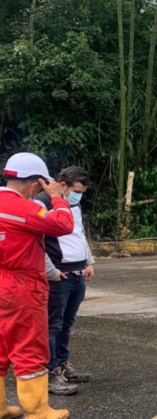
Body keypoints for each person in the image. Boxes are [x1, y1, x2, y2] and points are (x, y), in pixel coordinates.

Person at [0, 153, 74, 419]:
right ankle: (36, 411)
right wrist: (57, 197)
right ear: (34, 184)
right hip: (20, 285)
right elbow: (63, 224)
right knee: (29, 345)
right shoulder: (23, 208)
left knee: (1, 347)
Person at [36, 166, 94, 395]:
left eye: (81, 192)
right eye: (76, 190)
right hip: (58, 275)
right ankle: (50, 373)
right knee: (53, 326)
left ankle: (62, 364)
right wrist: (51, 270)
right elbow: (37, 241)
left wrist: (89, 261)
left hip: (77, 273)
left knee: (67, 324)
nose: (78, 195)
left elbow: (79, 234)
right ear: (62, 184)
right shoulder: (42, 203)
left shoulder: (75, 205)